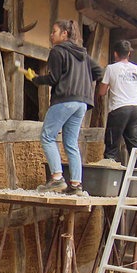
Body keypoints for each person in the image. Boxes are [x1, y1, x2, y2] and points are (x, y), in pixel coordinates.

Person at [24, 19, 103, 195]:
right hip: (82, 103)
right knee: (71, 143)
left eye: (54, 31)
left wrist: (36, 79)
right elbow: (99, 72)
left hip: (65, 100)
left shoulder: (57, 52)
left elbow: (54, 79)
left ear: (64, 34)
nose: (51, 35)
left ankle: (57, 179)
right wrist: (81, 80)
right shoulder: (83, 54)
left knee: (47, 137)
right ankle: (76, 185)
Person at [98, 39, 137, 163]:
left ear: (115, 54)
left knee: (112, 145)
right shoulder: (136, 69)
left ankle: (110, 176)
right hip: (135, 108)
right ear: (129, 53)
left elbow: (102, 92)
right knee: (135, 146)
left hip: (119, 108)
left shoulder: (111, 68)